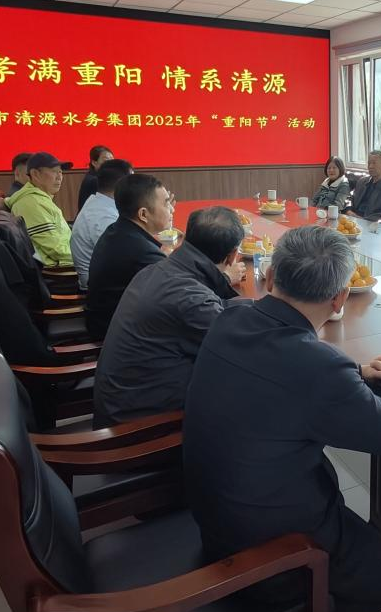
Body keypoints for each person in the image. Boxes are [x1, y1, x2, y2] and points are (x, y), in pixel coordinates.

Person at [183, 225, 381, 612]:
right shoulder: (320, 371)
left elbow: (284, 374)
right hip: (270, 547)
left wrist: (352, 374)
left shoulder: (231, 315)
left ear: (271, 276)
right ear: (340, 299)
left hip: (213, 514)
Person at [93, 206, 248, 427]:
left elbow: (213, 312)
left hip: (120, 402)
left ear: (185, 238)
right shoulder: (191, 300)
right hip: (137, 426)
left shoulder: (158, 270)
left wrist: (254, 306)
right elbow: (241, 351)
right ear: (232, 256)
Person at [85, 173, 173, 340]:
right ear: (143, 214)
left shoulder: (117, 229)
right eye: (166, 203)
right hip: (117, 332)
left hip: (100, 319)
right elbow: (177, 294)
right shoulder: (143, 252)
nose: (172, 209)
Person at [70, 158, 133, 290]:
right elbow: (124, 260)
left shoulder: (98, 203)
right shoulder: (103, 217)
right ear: (122, 186)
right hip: (100, 290)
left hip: (103, 280)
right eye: (132, 183)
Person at [6, 151, 73, 267]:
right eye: (54, 171)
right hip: (60, 270)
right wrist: (89, 257)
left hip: (66, 262)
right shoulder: (31, 203)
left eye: (61, 172)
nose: (59, 177)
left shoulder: (38, 199)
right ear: (35, 174)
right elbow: (56, 250)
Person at [345, 150, 381, 220]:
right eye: (369, 163)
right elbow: (350, 198)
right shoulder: (362, 181)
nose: (370, 166)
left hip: (371, 223)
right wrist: (348, 210)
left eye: (374, 163)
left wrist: (364, 220)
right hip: (352, 219)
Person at [77, 144, 114, 213]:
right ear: (94, 163)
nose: (111, 164)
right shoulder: (94, 180)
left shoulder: (94, 177)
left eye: (112, 161)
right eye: (106, 161)